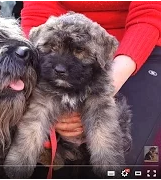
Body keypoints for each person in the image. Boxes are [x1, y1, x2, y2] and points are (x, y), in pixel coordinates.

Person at [20, 1, 161, 178]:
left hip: (137, 49)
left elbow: (149, 12)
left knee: (127, 156)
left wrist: (98, 97)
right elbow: (38, 12)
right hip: (57, 37)